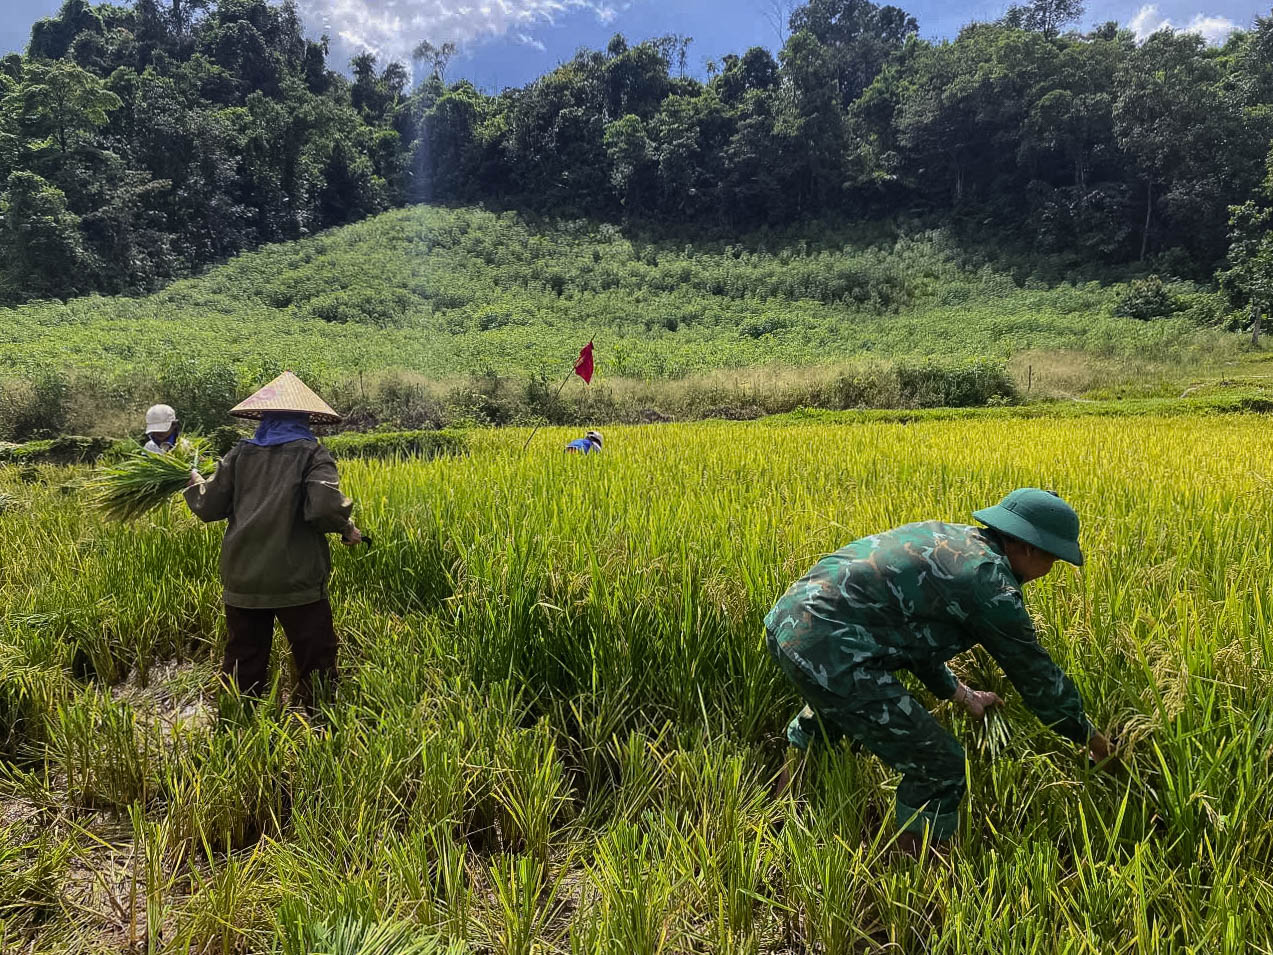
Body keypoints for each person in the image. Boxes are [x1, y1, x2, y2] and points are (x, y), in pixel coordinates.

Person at [766, 487, 1115, 857]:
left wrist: (963, 695)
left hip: (790, 623)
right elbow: (1037, 677)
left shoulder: (952, 540)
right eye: (1053, 559)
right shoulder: (990, 585)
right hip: (832, 646)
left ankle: (780, 812)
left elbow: (914, 640)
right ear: (1028, 547)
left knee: (829, 714)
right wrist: (1092, 740)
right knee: (941, 767)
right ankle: (916, 879)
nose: (1050, 570)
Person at [184, 371, 363, 714]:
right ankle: (319, 722)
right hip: (296, 577)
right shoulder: (311, 454)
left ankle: (237, 723)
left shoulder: (239, 455)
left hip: (244, 576)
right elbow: (325, 507)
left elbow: (209, 507)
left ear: (263, 418)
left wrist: (196, 482)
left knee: (243, 657)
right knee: (315, 655)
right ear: (305, 419)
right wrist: (345, 527)